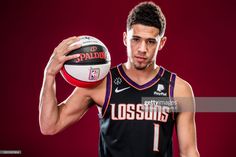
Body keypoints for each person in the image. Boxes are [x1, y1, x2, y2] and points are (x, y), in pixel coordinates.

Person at [39, 1, 200, 157]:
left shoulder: (178, 90)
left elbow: (189, 152)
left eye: (151, 42)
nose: (142, 49)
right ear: (125, 38)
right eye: (135, 39)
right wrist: (49, 74)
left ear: (162, 43)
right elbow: (50, 125)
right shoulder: (102, 83)